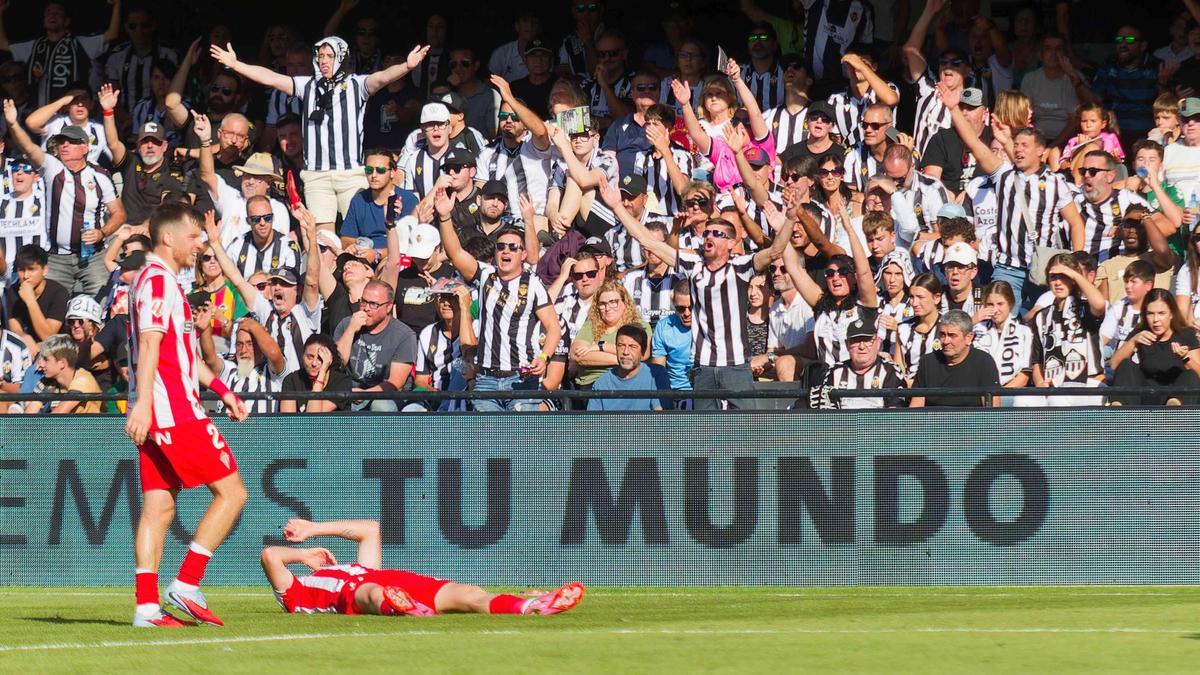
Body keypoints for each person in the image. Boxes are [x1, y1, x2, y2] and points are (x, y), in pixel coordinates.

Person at [124, 203, 249, 628]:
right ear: (168, 238)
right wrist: (144, 404)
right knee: (233, 494)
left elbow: (182, 357)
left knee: (158, 509)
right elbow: (149, 346)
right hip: (173, 411)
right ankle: (187, 583)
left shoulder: (159, 281)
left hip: (161, 409)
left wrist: (224, 391)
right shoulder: (159, 281)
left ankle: (146, 608)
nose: (200, 245)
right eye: (193, 237)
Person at [606, 177, 795, 408]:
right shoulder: (693, 264)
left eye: (717, 234)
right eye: (707, 233)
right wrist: (617, 207)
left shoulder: (741, 266)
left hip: (736, 365)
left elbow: (775, 251)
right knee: (705, 427)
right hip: (703, 365)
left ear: (731, 242)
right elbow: (649, 241)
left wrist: (789, 220)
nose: (709, 237)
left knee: (745, 426)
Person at [209, 36, 430, 231]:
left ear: (342, 57)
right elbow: (271, 78)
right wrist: (236, 65)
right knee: (323, 237)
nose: (324, 60)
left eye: (330, 56)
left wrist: (406, 66)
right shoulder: (308, 85)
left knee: (360, 232)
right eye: (321, 56)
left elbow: (382, 77)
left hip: (350, 174)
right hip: (317, 176)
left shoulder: (357, 84)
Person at [942, 84, 1084, 312]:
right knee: (998, 316)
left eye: (1024, 145)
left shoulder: (1056, 183)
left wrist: (1076, 262)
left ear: (1040, 150)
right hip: (1007, 268)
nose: (1018, 150)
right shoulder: (1004, 175)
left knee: (1043, 320)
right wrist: (953, 109)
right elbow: (975, 144)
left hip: (1043, 267)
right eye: (1016, 145)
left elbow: (1076, 223)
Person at [261, 517, 584, 616]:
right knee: (371, 592)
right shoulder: (295, 595)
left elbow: (370, 529)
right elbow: (271, 556)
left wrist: (314, 529)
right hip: (354, 594)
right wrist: (303, 555)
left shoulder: (360, 568)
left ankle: (530, 606)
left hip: (397, 582)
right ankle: (404, 607)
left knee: (469, 593)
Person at [435, 187, 559, 412]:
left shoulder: (533, 284)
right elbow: (456, 253)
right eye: (501, 247)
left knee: (520, 433)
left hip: (521, 378)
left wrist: (544, 357)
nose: (506, 251)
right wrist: (444, 217)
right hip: (486, 379)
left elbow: (553, 327)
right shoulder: (485, 276)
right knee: (489, 435)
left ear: (523, 254)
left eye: (513, 247)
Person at [5, 101, 124, 296]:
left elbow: (119, 213)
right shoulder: (52, 167)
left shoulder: (100, 175)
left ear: (85, 148)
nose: (65, 145)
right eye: (61, 142)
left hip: (92, 256)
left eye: (71, 141)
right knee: (51, 307)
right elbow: (29, 148)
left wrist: (102, 232)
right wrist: (13, 124)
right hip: (56, 258)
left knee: (99, 305)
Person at [0, 1, 121, 106]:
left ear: (66, 21)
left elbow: (112, 34)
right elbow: (2, 44)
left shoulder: (80, 43)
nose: (52, 15)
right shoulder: (35, 46)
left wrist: (117, 4)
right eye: (48, 13)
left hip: (73, 111)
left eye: (57, 13)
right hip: (41, 112)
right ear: (43, 21)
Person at [1030, 253, 1108, 406]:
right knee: (1022, 401)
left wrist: (1074, 274)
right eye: (1053, 277)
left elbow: (1099, 303)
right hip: (1055, 387)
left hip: (1089, 384)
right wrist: (1040, 384)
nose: (1058, 282)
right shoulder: (1041, 316)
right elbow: (1037, 361)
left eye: (1063, 276)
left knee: (1057, 400)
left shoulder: (1085, 307)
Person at [334, 279, 417, 411]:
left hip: (387, 396)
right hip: (351, 392)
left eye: (373, 304)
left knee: (380, 406)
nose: (366, 308)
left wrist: (365, 394)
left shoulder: (404, 335)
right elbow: (337, 365)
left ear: (388, 307)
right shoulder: (347, 324)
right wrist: (351, 330)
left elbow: (396, 383)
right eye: (364, 301)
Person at [1109, 288, 1200, 406]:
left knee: (1190, 374)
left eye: (1161, 313)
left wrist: (1185, 358)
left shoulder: (1186, 334)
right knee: (1127, 365)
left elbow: (1198, 374)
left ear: (1171, 314)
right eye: (1150, 313)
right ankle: (1120, 409)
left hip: (1177, 394)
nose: (1156, 320)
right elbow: (1114, 365)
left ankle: (1174, 409)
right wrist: (1133, 341)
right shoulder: (1140, 333)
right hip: (1147, 394)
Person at [811, 309, 905, 409]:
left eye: (867, 340)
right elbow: (827, 413)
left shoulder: (890, 371)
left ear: (878, 342)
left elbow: (895, 412)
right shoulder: (833, 372)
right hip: (843, 419)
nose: (861, 346)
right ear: (847, 345)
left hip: (880, 419)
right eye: (855, 341)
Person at [570, 279, 650, 391]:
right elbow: (577, 355)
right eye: (602, 304)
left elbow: (643, 354)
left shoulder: (638, 325)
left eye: (613, 302)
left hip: (625, 381)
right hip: (591, 383)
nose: (608, 308)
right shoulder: (591, 325)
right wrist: (625, 361)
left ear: (625, 303)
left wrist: (600, 347)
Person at [910, 309, 1000, 407]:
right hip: (934, 416)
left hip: (971, 416)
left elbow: (992, 410)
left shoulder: (984, 362)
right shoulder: (927, 362)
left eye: (952, 335)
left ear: (968, 338)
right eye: (942, 334)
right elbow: (916, 406)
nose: (945, 341)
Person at [1091, 24, 1162, 147]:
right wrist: (1076, 80)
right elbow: (1095, 100)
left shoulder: (1156, 66)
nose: (1122, 44)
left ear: (1143, 45)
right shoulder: (1109, 64)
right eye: (1119, 40)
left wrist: (1163, 82)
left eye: (1129, 40)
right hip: (1113, 134)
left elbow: (1166, 105)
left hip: (1148, 135)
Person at [341, 149, 419, 262]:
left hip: (398, 261)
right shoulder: (359, 200)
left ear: (392, 172)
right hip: (363, 258)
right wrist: (351, 246)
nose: (373, 175)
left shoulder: (408, 200)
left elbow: (412, 244)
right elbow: (346, 237)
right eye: (369, 170)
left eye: (380, 170)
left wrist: (377, 254)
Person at [972, 280, 1034, 404]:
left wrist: (998, 396)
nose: (995, 309)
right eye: (990, 304)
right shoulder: (976, 329)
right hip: (978, 393)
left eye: (1000, 304)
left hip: (1009, 394)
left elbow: (1024, 376)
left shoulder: (1024, 332)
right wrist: (973, 320)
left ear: (1010, 303)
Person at [587, 323, 670, 411]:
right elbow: (593, 419)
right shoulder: (602, 383)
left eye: (632, 347)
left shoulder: (656, 375)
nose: (626, 352)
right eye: (621, 345)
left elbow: (661, 415)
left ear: (643, 351)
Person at [4, 244, 68, 350]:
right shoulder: (13, 291)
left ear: (45, 270)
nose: (26, 276)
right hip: (26, 347)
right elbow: (15, 329)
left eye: (31, 269)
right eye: (21, 270)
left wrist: (30, 300)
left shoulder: (59, 293)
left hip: (56, 348)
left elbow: (48, 337)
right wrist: (24, 337)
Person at [23, 332, 100, 414]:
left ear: (62, 363)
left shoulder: (83, 380)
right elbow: (29, 415)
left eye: (46, 359)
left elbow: (58, 417)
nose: (40, 364)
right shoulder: (47, 380)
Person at [279, 333, 354, 413]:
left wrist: (322, 372)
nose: (314, 363)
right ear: (302, 356)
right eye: (310, 357)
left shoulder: (342, 382)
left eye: (320, 359)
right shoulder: (291, 380)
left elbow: (313, 416)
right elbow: (288, 419)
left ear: (329, 360)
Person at [894, 273, 943, 384]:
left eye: (920, 297)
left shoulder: (948, 326)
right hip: (910, 388)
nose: (914, 303)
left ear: (936, 298)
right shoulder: (903, 328)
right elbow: (898, 367)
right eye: (912, 297)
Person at [651, 282, 694, 402]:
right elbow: (658, 369)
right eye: (680, 309)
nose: (687, 313)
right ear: (673, 304)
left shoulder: (710, 326)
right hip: (675, 393)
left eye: (691, 307)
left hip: (706, 392)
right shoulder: (663, 326)